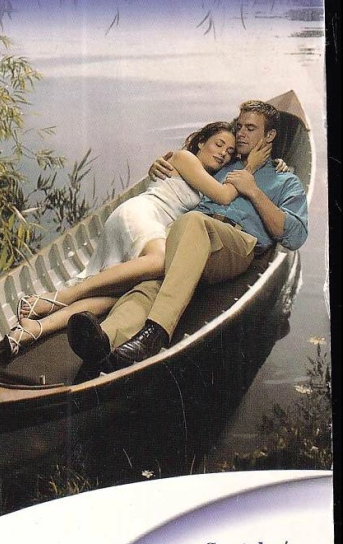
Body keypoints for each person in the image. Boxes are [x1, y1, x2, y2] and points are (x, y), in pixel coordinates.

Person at [66, 100, 309, 372]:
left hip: (234, 244)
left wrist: (253, 190)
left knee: (193, 223)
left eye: (250, 129)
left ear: (270, 135)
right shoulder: (222, 168)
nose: (240, 133)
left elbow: (295, 235)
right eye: (239, 126)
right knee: (152, 283)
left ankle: (156, 331)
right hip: (190, 236)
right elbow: (187, 166)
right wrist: (160, 165)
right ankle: (105, 340)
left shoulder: (284, 179)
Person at [3, 120, 271, 357]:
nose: (223, 153)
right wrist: (250, 167)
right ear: (201, 142)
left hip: (153, 230)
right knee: (162, 262)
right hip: (141, 214)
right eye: (218, 144)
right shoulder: (184, 158)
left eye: (229, 152)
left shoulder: (208, 180)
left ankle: (36, 327)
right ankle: (60, 296)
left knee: (116, 296)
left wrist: (270, 165)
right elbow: (224, 196)